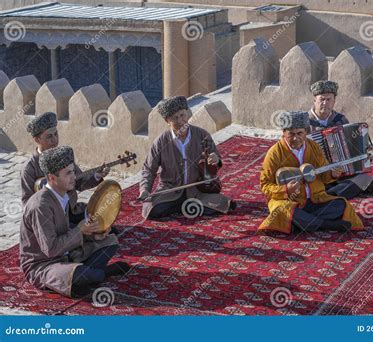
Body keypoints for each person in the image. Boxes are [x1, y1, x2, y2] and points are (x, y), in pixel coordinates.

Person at [20, 146, 129, 298]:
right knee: (81, 275)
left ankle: (81, 277)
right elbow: (51, 250)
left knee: (110, 241)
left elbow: (65, 233)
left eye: (73, 171)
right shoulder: (40, 206)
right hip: (43, 265)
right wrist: (80, 230)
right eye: (68, 173)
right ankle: (98, 274)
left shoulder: (62, 195)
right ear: (52, 178)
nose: (74, 177)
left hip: (67, 255)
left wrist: (93, 236)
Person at [259, 110, 364, 234]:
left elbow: (325, 177)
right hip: (290, 202)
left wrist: (332, 174)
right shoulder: (274, 153)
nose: (296, 138)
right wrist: (286, 190)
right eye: (291, 134)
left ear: (306, 132)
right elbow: (265, 186)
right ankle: (326, 225)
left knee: (341, 205)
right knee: (282, 209)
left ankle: (301, 223)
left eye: (300, 133)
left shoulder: (314, 147)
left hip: (315, 199)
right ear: (283, 133)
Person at [138, 96, 235, 220]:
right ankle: (185, 206)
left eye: (182, 115)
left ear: (187, 114)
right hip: (170, 190)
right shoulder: (161, 141)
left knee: (223, 204)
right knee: (150, 208)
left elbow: (216, 158)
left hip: (197, 189)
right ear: (167, 121)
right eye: (174, 118)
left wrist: (216, 159)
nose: (180, 120)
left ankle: (182, 206)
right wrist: (145, 189)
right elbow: (148, 169)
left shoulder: (202, 135)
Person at [21, 112, 109, 223]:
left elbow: (80, 182)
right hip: (51, 219)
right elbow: (27, 202)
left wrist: (97, 175)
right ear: (37, 140)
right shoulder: (29, 168)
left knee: (104, 222)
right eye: (49, 136)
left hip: (72, 211)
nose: (54, 140)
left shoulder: (63, 156)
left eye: (56, 134)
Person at [308, 80, 373, 199]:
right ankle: (335, 192)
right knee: (309, 183)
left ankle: (330, 193)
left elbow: (352, 146)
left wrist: (366, 152)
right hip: (317, 172)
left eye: (329, 99)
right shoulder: (305, 122)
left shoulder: (340, 120)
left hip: (341, 173)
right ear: (315, 100)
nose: (325, 103)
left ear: (334, 101)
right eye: (322, 99)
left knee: (367, 180)